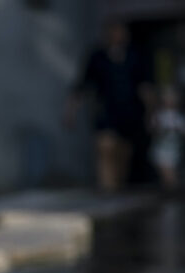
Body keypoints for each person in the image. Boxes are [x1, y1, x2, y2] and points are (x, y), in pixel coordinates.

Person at [65, 21, 153, 191]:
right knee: (105, 150)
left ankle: (116, 192)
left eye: (121, 31)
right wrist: (70, 111)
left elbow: (146, 88)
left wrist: (151, 114)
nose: (118, 35)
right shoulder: (98, 57)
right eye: (114, 31)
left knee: (122, 159)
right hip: (106, 114)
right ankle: (107, 192)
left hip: (130, 116)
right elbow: (82, 86)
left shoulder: (135, 56)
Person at [150, 86, 185, 190]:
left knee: (171, 178)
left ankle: (171, 198)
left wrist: (179, 131)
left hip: (176, 151)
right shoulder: (159, 115)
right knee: (169, 177)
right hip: (162, 150)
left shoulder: (181, 116)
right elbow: (153, 130)